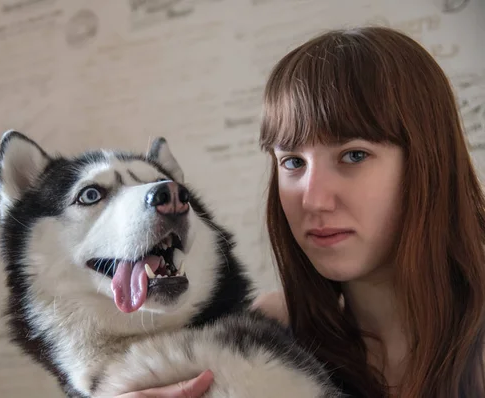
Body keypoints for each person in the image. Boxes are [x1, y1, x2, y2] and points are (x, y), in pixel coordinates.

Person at [119, 25, 485, 397]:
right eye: (293, 162)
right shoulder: (268, 336)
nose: (313, 199)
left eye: (353, 155)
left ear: (428, 163)